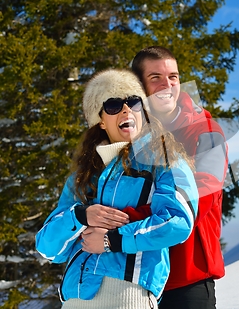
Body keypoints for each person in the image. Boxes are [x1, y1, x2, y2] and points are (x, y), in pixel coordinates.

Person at [35, 69, 199, 309]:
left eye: (133, 102)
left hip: (129, 296)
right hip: (74, 299)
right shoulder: (82, 177)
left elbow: (178, 222)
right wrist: (81, 215)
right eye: (113, 105)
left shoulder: (165, 160)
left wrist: (112, 240)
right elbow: (48, 248)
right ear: (101, 120)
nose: (126, 109)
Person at [132, 46, 228, 309]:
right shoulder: (130, 134)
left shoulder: (207, 132)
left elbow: (199, 201)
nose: (167, 85)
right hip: (136, 278)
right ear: (139, 86)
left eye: (173, 77)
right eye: (155, 78)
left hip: (187, 276)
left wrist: (125, 220)